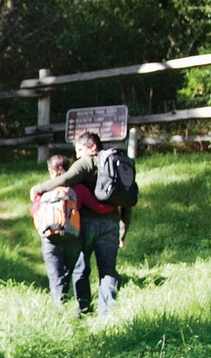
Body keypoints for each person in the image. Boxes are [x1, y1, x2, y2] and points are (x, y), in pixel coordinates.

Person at [30, 131, 133, 316]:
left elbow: (65, 179)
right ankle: (107, 315)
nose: (77, 155)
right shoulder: (116, 164)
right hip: (111, 224)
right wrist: (123, 231)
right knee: (108, 270)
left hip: (86, 223)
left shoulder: (88, 162)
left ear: (92, 146)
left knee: (81, 267)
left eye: (79, 149)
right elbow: (127, 200)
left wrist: (38, 188)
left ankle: (83, 310)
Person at [30, 154, 81, 306]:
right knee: (69, 272)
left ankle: (59, 307)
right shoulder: (75, 188)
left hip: (49, 238)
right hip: (71, 236)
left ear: (50, 170)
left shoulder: (43, 190)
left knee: (55, 276)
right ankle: (74, 303)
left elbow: (34, 211)